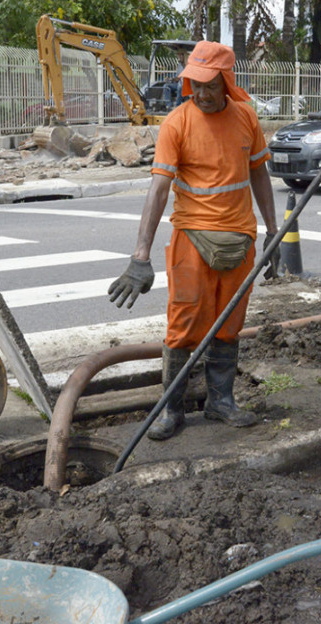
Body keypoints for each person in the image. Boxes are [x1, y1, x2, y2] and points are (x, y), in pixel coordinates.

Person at [108, 41, 280, 441]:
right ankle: (172, 410)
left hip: (239, 238)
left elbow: (260, 176)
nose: (200, 93)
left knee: (228, 325)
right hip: (192, 239)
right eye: (194, 84)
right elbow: (158, 189)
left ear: (227, 82)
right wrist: (140, 255)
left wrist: (274, 232)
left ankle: (221, 402)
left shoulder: (247, 120)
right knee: (183, 326)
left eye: (208, 85)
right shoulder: (177, 123)